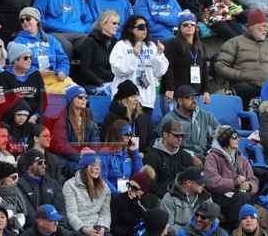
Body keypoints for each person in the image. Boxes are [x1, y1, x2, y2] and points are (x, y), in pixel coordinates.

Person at [110, 14, 168, 145]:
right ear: (131, 29)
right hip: (125, 100)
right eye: (141, 27)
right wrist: (134, 56)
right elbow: (119, 69)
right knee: (123, 138)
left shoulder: (151, 46)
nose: (145, 30)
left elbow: (159, 72)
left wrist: (159, 54)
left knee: (142, 139)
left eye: (146, 26)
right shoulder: (121, 45)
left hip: (146, 100)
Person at [62, 151, 117, 236]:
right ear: (84, 167)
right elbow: (71, 214)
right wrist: (85, 229)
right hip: (79, 228)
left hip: (97, 225)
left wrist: (102, 227)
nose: (97, 168)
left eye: (99, 166)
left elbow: (105, 212)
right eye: (93, 165)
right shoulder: (69, 185)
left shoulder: (104, 186)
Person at [214, 9, 268, 109]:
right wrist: (240, 75)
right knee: (243, 90)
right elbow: (220, 66)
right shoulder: (234, 43)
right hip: (245, 85)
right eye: (263, 26)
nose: (266, 30)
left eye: (267, 27)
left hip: (267, 87)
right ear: (253, 27)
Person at [11, 6, 74, 94]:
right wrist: (35, 72)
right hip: (32, 80)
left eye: (28, 19)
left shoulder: (51, 39)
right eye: (22, 20)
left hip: (54, 77)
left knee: (78, 92)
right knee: (57, 95)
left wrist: (62, 71)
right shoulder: (18, 42)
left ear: (37, 20)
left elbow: (63, 59)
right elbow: (16, 66)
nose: (25, 22)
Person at [204, 125, 259, 225]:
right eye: (234, 137)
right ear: (224, 140)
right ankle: (236, 228)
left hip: (240, 196)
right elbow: (211, 182)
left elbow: (253, 180)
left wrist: (249, 186)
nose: (238, 139)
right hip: (220, 197)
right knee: (243, 197)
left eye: (238, 137)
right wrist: (235, 182)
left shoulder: (242, 159)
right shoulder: (212, 157)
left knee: (246, 197)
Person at [160, 10, 210, 106]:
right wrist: (169, 88)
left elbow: (204, 70)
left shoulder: (200, 46)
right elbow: (168, 68)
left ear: (196, 27)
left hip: (194, 93)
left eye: (192, 24)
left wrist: (206, 90)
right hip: (176, 93)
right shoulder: (172, 43)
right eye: (185, 24)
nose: (189, 26)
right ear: (180, 27)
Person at [159, 85, 220, 163]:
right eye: (190, 98)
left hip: (205, 157)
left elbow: (220, 134)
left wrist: (212, 154)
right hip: (180, 160)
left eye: (195, 98)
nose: (194, 101)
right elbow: (162, 145)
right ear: (180, 101)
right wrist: (189, 157)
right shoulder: (169, 119)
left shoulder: (205, 116)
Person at [16, 148, 66, 226]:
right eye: (40, 163)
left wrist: (59, 227)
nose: (44, 166)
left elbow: (60, 209)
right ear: (29, 166)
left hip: (55, 227)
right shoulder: (20, 185)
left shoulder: (53, 184)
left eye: (44, 162)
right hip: (33, 229)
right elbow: (29, 213)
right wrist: (44, 226)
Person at [110, 168, 159, 236]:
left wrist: (137, 202)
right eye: (129, 185)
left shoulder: (145, 201)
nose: (130, 189)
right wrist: (130, 232)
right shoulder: (117, 199)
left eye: (134, 188)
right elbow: (113, 227)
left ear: (142, 191)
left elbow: (148, 220)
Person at [144, 119, 193, 197]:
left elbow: (191, 181)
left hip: (182, 197)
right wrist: (169, 196)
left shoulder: (186, 156)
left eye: (181, 136)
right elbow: (150, 185)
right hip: (160, 198)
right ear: (165, 134)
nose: (180, 139)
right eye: (176, 135)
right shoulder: (151, 156)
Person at [0, 42, 46, 116]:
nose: (29, 60)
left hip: (33, 117)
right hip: (11, 116)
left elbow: (43, 99)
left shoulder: (36, 74)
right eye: (26, 58)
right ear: (15, 60)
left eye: (30, 58)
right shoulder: (3, 76)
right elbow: (1, 100)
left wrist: (36, 115)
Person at [74, 11, 116, 92]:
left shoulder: (115, 42)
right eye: (114, 23)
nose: (117, 26)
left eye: (118, 23)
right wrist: (101, 83)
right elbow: (84, 69)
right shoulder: (90, 42)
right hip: (92, 84)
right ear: (103, 24)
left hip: (110, 83)